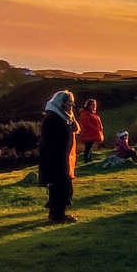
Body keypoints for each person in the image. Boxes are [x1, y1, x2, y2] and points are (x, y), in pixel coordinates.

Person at [39, 90, 81, 223]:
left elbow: (73, 130)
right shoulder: (52, 117)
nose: (71, 106)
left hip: (63, 158)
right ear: (61, 103)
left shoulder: (64, 116)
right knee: (60, 186)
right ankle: (57, 216)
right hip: (55, 158)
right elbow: (50, 141)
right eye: (69, 103)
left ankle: (57, 214)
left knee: (62, 186)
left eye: (72, 103)